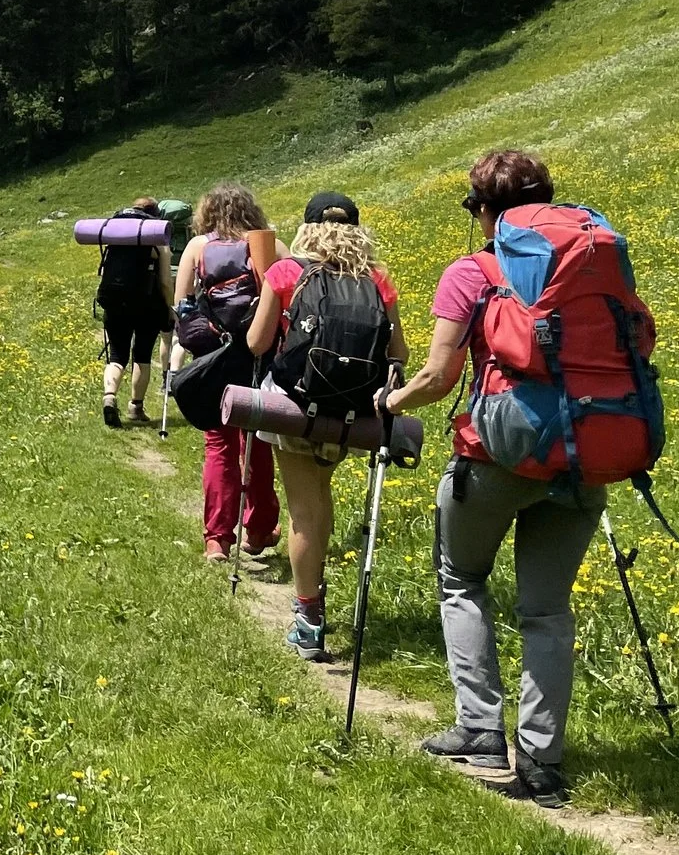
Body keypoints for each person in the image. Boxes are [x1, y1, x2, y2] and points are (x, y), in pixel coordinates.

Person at [378, 150, 593, 808]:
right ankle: (542, 763)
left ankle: (479, 728)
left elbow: (441, 376)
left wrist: (391, 404)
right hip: (584, 449)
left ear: (486, 210)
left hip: (493, 455)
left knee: (461, 577)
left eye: (474, 207)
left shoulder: (472, 271)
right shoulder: (587, 261)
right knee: (548, 610)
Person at [246, 194, 407, 659]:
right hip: (348, 410)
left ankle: (309, 618)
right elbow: (399, 353)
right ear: (357, 230)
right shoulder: (375, 279)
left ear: (308, 228)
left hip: (295, 404)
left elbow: (258, 343)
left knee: (303, 509)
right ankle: (315, 590)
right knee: (320, 497)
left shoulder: (286, 272)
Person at [173, 185, 281, 564]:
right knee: (259, 440)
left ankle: (217, 539)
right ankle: (259, 528)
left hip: (214, 361)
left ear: (207, 213)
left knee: (219, 445)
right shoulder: (270, 246)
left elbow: (182, 307)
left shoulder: (197, 248)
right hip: (260, 357)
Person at [97, 196, 172, 428]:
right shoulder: (155, 238)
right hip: (146, 305)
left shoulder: (115, 234)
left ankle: (109, 396)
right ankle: (135, 408)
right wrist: (169, 310)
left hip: (114, 301)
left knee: (117, 355)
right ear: (155, 214)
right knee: (142, 355)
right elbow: (165, 282)